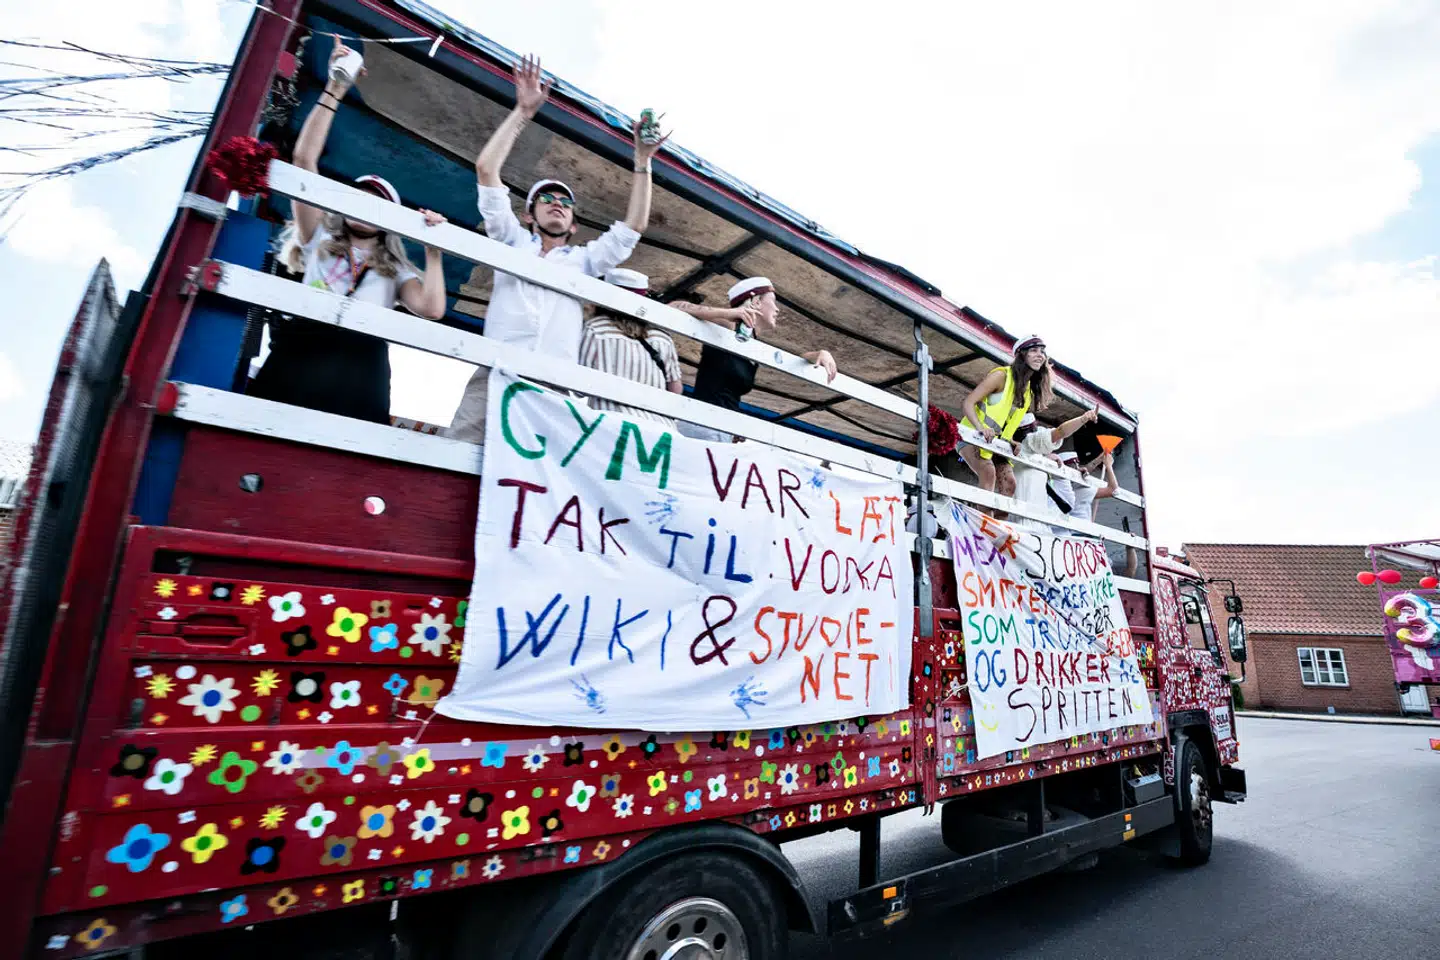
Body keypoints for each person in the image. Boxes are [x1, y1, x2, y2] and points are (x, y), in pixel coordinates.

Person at [446, 54, 666, 443]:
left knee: (540, 487)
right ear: (529, 215)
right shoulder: (511, 241)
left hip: (555, 388)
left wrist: (642, 160)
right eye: (546, 198)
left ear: (574, 224)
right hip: (497, 372)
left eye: (565, 202)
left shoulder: (584, 261)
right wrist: (523, 111)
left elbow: (634, 227)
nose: (557, 204)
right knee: (454, 462)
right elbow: (486, 171)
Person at [249, 43, 449, 424]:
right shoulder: (320, 238)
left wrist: (434, 250)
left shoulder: (396, 270)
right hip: (305, 346)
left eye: (378, 203)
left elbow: (432, 309)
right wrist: (335, 88)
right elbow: (305, 161)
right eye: (361, 198)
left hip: (362, 362)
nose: (366, 207)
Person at [672, 276, 837, 442]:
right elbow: (674, 306)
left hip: (722, 428)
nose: (777, 310)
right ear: (756, 301)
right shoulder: (729, 326)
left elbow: (792, 359)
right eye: (773, 301)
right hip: (702, 423)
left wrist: (819, 353)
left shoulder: (755, 346)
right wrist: (728, 313)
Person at [579, 269, 683, 425]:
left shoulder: (595, 329)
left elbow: (579, 386)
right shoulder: (662, 337)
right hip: (660, 428)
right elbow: (675, 389)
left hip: (611, 425)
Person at [956, 334, 1054, 496]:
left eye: (1043, 352)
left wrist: (1010, 440)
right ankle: (982, 521)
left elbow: (1003, 422)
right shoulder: (1001, 376)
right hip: (970, 434)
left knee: (1009, 484)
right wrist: (981, 428)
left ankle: (998, 522)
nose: (1040, 355)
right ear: (1021, 354)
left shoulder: (1027, 392)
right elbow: (968, 403)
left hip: (995, 443)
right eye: (1034, 350)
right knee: (988, 472)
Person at [1008, 408, 1098, 524]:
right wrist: (1083, 418)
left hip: (1027, 513)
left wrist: (1047, 457)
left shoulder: (1018, 451)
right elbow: (1061, 432)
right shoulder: (1029, 443)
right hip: (1029, 515)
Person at [1052, 449, 1119, 522]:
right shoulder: (1081, 491)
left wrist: (1099, 459)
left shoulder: (1056, 485)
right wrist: (1109, 466)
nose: (1079, 468)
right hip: (1081, 530)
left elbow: (1082, 472)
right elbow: (1113, 490)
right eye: (1075, 466)